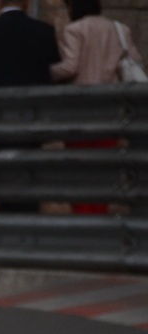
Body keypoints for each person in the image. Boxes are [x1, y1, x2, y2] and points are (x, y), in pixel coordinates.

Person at [51, 0, 143, 213]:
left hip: (79, 110)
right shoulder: (120, 29)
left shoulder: (74, 29)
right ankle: (100, 216)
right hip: (110, 109)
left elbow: (69, 67)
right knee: (104, 168)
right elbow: (135, 60)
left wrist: (45, 71)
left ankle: (84, 218)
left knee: (78, 169)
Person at [0, 2, 61, 213]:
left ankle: (9, 217)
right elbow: (54, 75)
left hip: (1, 118)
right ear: (27, 3)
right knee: (30, 171)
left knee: (7, 170)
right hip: (34, 117)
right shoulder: (44, 31)